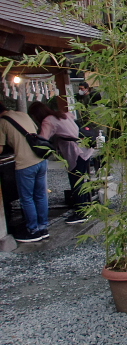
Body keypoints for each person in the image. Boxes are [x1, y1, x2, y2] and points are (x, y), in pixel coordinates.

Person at [28, 101, 94, 225]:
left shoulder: (48, 121)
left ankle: (81, 212)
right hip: (85, 148)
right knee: (82, 180)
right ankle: (86, 208)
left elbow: (43, 139)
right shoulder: (63, 114)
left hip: (75, 152)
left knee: (76, 181)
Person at [0, 103, 49, 242]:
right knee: (40, 195)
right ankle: (43, 227)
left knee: (27, 198)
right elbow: (34, 132)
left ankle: (33, 230)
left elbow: (0, 149)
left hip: (25, 163)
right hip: (41, 160)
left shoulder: (2, 122)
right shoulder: (23, 114)